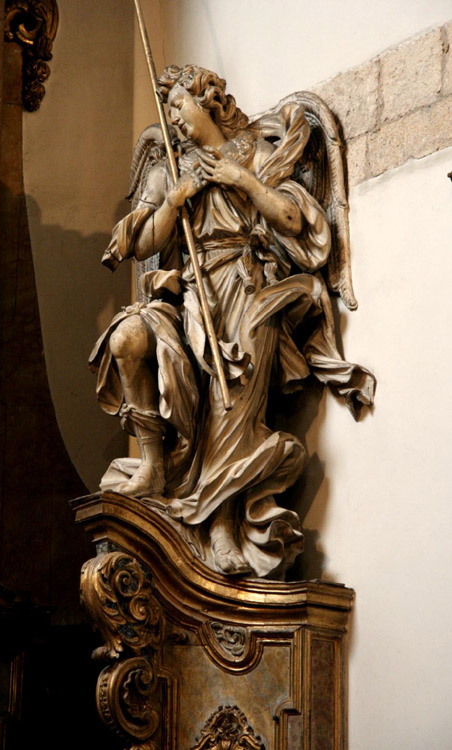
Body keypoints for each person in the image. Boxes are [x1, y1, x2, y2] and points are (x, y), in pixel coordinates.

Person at [89, 65, 374, 578]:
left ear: (207, 100)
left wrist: (241, 180)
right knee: (128, 337)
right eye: (169, 111)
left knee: (231, 405)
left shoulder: (253, 151)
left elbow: (293, 219)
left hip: (245, 289)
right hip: (192, 296)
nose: (175, 119)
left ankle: (221, 523)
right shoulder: (170, 168)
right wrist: (175, 200)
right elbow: (144, 242)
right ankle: (154, 464)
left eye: (180, 105)